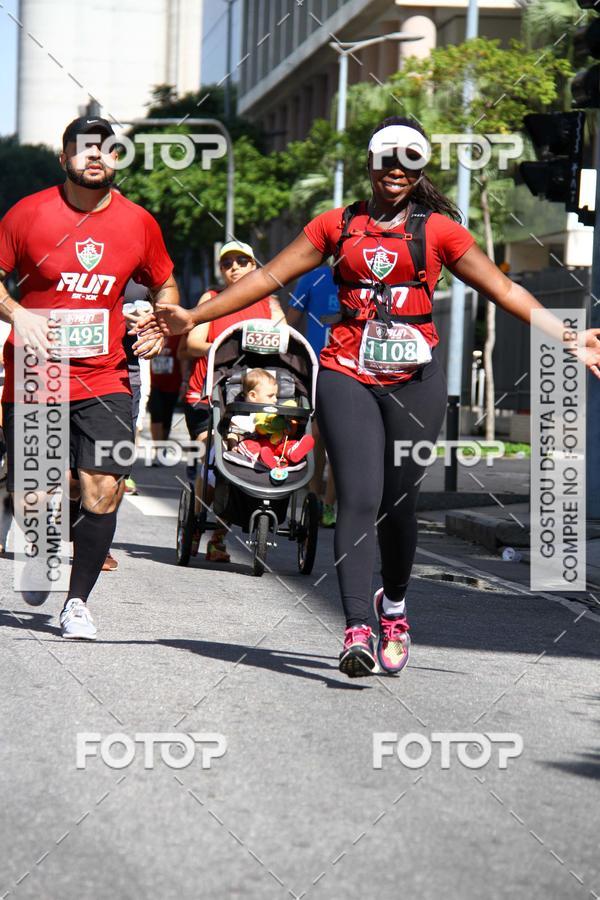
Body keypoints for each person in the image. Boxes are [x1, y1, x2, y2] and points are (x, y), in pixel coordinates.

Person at [150, 115, 600, 678]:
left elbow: (503, 286)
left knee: (398, 502)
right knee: (358, 499)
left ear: (420, 168)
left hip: (416, 381)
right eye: (386, 157)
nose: (395, 168)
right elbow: (266, 278)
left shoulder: (439, 232)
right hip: (345, 372)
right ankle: (357, 627)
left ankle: (394, 606)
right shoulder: (334, 225)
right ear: (369, 163)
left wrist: (567, 336)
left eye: (408, 159)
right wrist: (194, 314)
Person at [0, 115, 175, 639]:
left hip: (106, 376)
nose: (96, 157)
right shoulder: (26, 215)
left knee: (104, 487)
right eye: (84, 149)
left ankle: (76, 601)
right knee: (37, 495)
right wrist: (18, 313)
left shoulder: (139, 223)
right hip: (36, 371)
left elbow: (164, 285)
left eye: (107, 149)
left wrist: (160, 323)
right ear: (65, 158)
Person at [177, 240, 284, 561]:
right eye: (228, 264)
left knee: (244, 460)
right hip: (206, 397)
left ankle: (219, 538)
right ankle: (197, 524)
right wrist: (232, 346)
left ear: (254, 265)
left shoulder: (270, 303)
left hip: (250, 402)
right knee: (212, 458)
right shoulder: (211, 299)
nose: (234, 267)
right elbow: (193, 343)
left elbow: (283, 339)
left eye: (242, 261)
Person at [287, 265, 339, 526]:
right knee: (317, 434)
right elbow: (290, 321)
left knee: (340, 440)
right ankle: (316, 497)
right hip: (317, 367)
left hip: (352, 369)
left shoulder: (365, 278)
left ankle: (329, 504)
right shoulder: (312, 276)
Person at [226, 368, 314, 475]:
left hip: (274, 444)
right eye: (270, 396)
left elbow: (286, 431)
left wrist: (287, 429)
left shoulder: (274, 415)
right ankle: (262, 458)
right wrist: (233, 445)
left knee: (286, 444)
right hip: (254, 443)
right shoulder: (240, 417)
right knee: (248, 445)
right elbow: (233, 434)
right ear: (253, 395)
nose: (275, 400)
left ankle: (293, 451)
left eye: (276, 396)